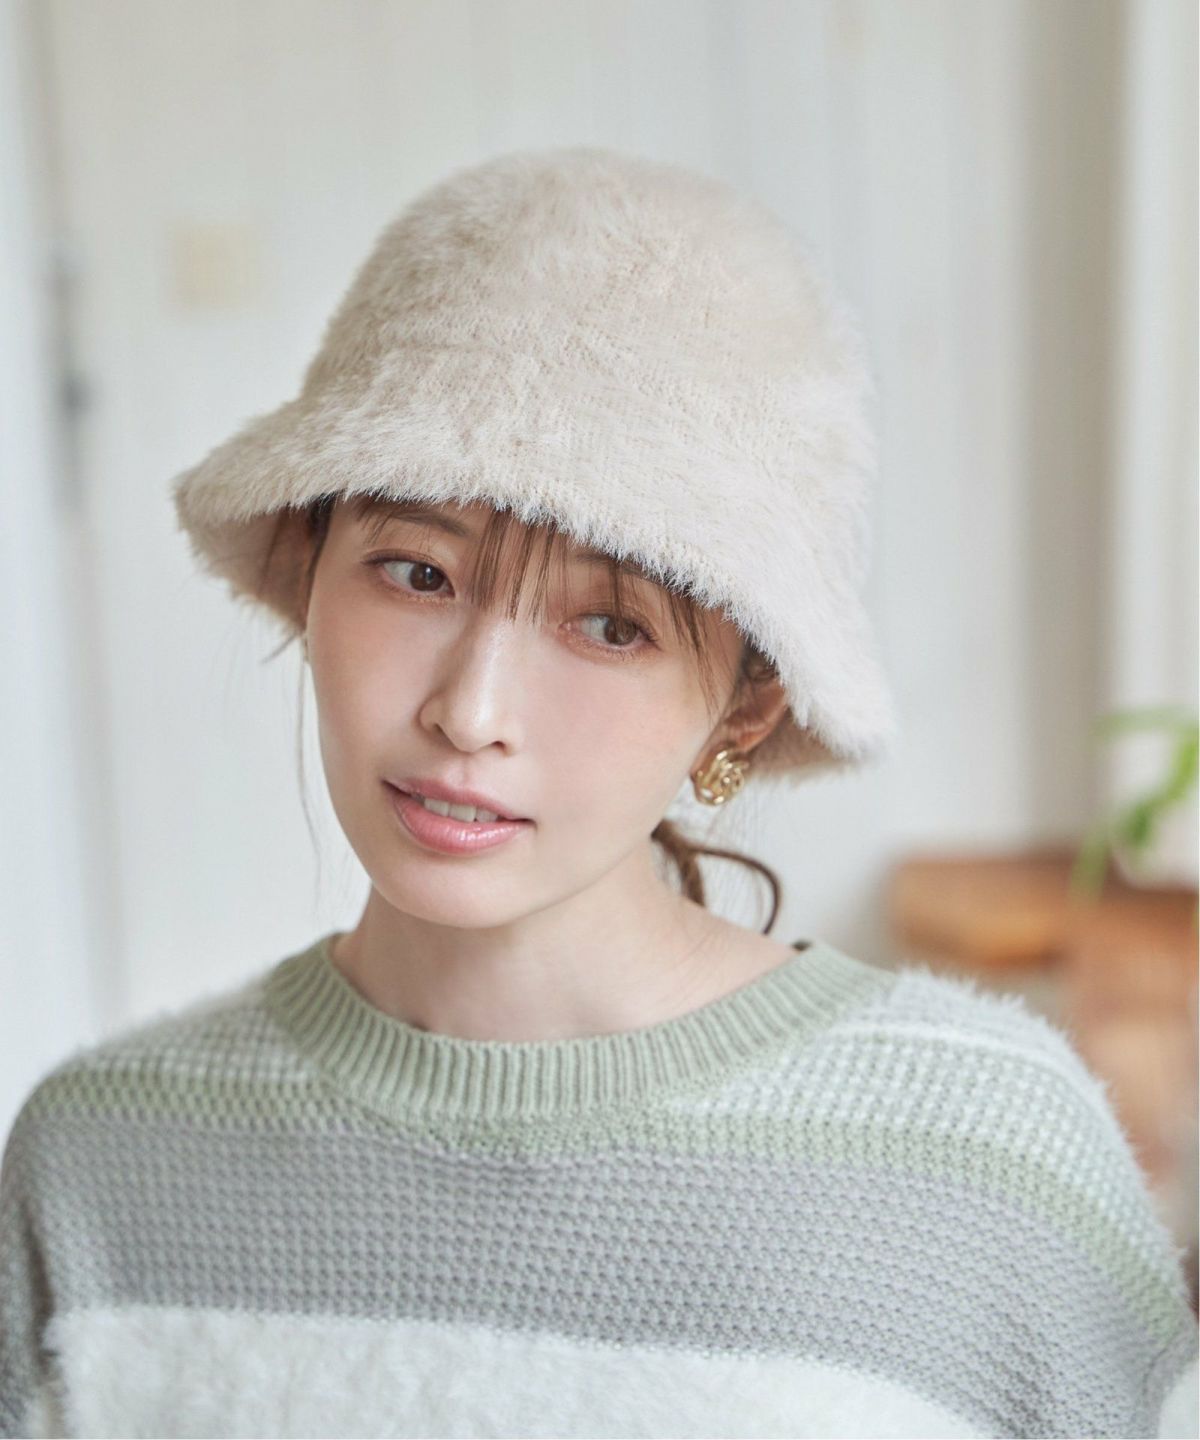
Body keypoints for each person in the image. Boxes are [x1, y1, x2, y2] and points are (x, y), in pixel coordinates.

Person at [1, 146, 1196, 1440]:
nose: (471, 711)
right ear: (307, 566)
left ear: (744, 708)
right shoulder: (96, 1165)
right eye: (415, 573)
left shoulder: (987, 1160)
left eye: (612, 626)